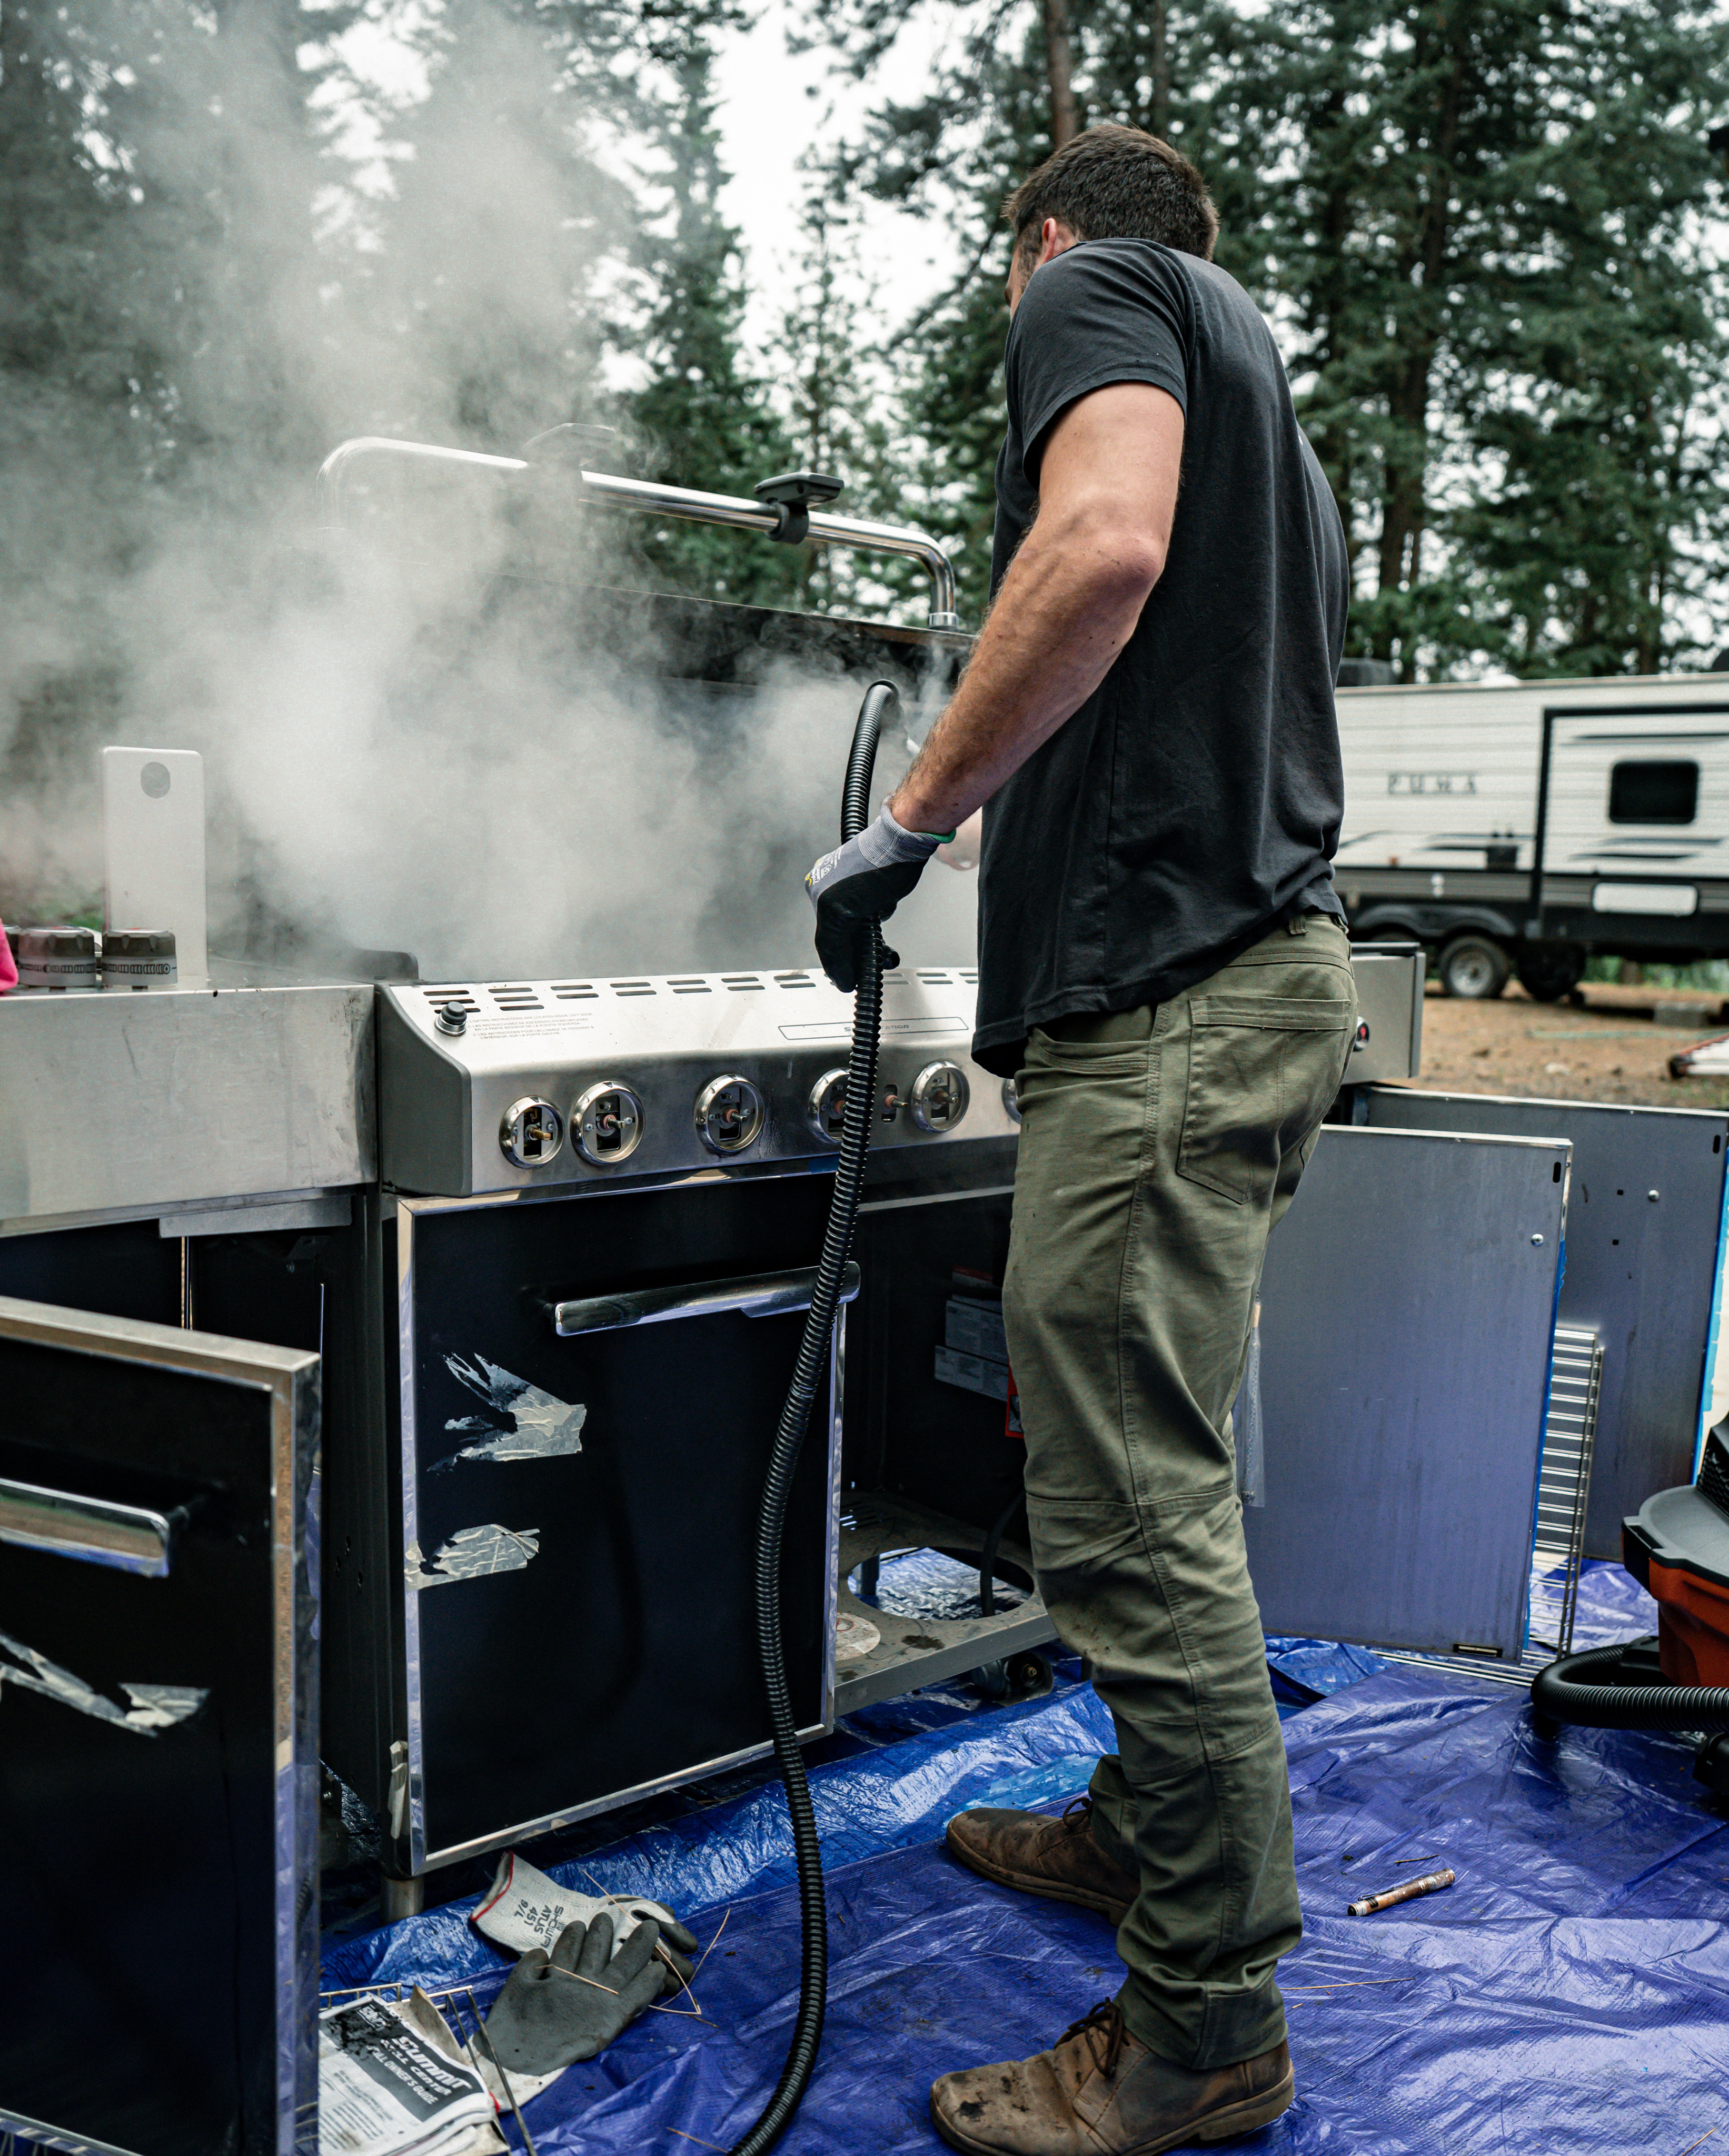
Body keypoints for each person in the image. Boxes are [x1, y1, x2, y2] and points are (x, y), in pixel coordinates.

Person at [805, 122, 1357, 2155]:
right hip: (1239, 999)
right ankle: (1143, 1834)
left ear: (1047, 244)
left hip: (1172, 1020)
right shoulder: (1268, 418)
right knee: (1153, 1468)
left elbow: (1097, 549)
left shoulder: (1093, 291)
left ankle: (1201, 2031)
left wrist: (903, 824)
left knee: (1130, 1524)